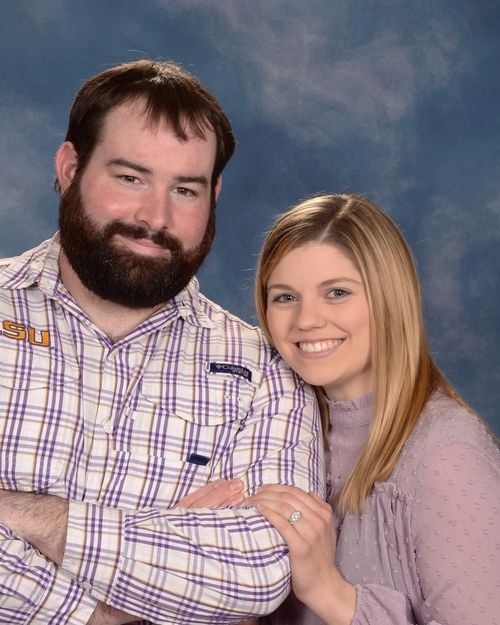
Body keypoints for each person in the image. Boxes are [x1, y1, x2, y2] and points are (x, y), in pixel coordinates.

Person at [0, 60, 324, 624]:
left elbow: (259, 570)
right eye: (130, 178)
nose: (156, 216)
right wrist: (114, 613)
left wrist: (33, 517)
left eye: (185, 189)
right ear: (70, 167)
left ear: (213, 194)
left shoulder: (266, 369)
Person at [246, 193, 500, 624]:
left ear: (389, 299)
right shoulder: (273, 430)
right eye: (285, 297)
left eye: (337, 293)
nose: (306, 320)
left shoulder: (448, 455)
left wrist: (328, 592)